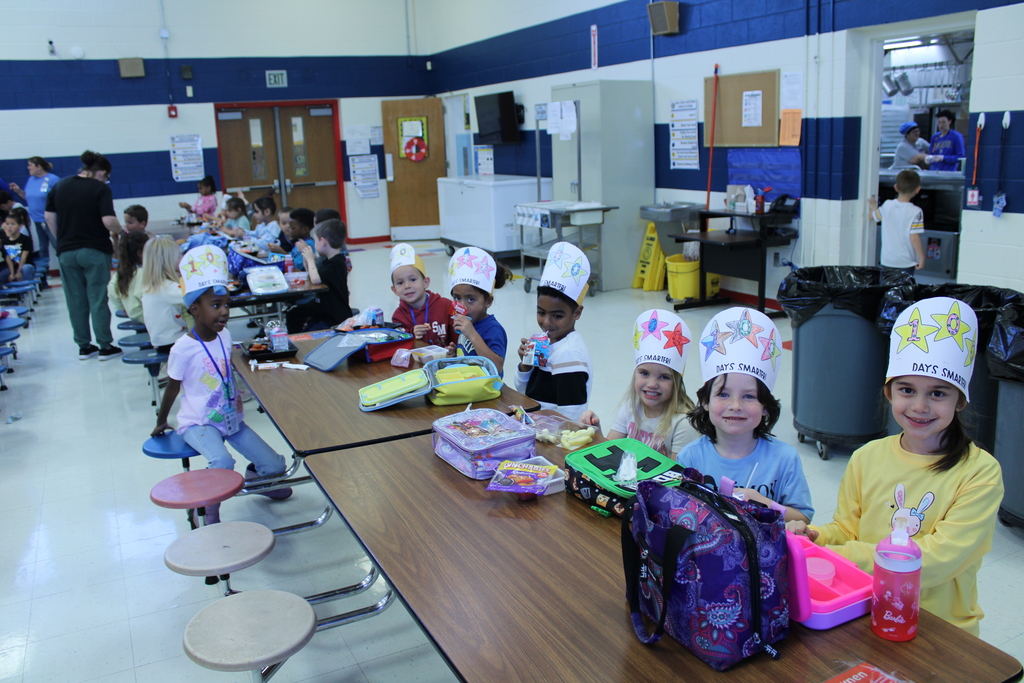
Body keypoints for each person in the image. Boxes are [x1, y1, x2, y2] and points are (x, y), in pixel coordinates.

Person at [788, 297, 1003, 635]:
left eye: (938, 393)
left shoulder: (980, 473)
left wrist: (841, 556)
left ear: (960, 400)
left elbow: (938, 558)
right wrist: (818, 536)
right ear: (889, 393)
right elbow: (847, 529)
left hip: (941, 626)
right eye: (907, 390)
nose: (919, 406)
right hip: (865, 604)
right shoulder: (867, 457)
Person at [153, 245, 291, 524]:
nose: (225, 312)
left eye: (226, 304)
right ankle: (205, 510)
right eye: (216, 306)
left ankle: (257, 480)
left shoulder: (224, 335)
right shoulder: (182, 349)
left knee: (276, 464)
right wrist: (161, 421)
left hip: (231, 417)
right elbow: (171, 387)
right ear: (194, 309)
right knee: (223, 463)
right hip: (198, 423)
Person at [677, 307, 813, 523]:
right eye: (723, 394)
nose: (735, 405)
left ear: (766, 407)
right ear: (705, 402)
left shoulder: (784, 459)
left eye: (749, 397)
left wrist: (763, 502)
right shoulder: (691, 457)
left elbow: (803, 518)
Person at [580, 309, 697, 457]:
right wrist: (594, 431)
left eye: (664, 377)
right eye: (644, 373)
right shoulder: (630, 407)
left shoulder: (683, 423)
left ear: (677, 382)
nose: (652, 384)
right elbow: (608, 453)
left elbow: (676, 476)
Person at [45, 150, 124, 361]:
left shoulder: (60, 186)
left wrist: (61, 240)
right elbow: (108, 221)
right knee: (97, 298)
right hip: (95, 250)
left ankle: (84, 346)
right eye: (106, 177)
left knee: (75, 300)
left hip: (66, 251)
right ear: (102, 173)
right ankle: (105, 346)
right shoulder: (100, 189)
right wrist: (121, 231)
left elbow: (49, 217)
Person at [513, 242, 593, 421]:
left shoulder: (569, 355)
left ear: (577, 313)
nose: (546, 322)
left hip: (552, 438)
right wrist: (525, 366)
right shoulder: (547, 343)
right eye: (541, 312)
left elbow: (570, 419)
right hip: (535, 425)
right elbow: (523, 391)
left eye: (557, 316)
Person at [445, 246, 511, 376]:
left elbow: (496, 367)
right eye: (457, 298)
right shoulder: (466, 322)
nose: (462, 306)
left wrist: (472, 334)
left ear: (488, 301)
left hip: (487, 392)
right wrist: (455, 355)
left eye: (471, 299)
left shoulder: (493, 329)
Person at [286, 219, 351, 332]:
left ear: (322, 241)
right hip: (322, 306)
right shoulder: (329, 261)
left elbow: (316, 280)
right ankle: (294, 340)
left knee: (308, 332)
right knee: (293, 314)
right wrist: (307, 260)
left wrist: (311, 260)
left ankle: (300, 340)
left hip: (333, 314)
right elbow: (312, 277)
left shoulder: (337, 263)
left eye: (315, 241)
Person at [8, 156, 60, 287]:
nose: (28, 168)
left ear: (39, 167)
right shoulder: (31, 180)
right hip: (36, 220)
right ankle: (44, 277)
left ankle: (66, 271)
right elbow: (28, 197)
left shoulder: (53, 180)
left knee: (58, 245)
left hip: (50, 220)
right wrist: (18, 191)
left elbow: (61, 199)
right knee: (42, 249)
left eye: (30, 165)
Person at [389, 243, 454, 347]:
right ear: (394, 290)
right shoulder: (399, 317)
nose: (407, 286)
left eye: (413, 279)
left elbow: (458, 338)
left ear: (426, 282)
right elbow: (402, 347)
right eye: (400, 283)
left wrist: (453, 350)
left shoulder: (446, 306)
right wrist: (412, 333)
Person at [140, 238, 190, 355]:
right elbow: (194, 298)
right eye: (178, 256)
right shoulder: (167, 288)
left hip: (161, 341)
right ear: (168, 261)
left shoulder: (154, 285)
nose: (182, 258)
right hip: (173, 342)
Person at [870, 169, 925, 275]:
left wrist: (873, 208)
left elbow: (872, 216)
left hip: (887, 260)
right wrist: (921, 257)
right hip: (906, 263)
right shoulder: (916, 211)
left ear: (896, 187)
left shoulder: (887, 205)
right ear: (918, 190)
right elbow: (914, 238)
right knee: (903, 290)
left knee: (887, 289)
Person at [108, 231, 149, 323]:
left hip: (134, 315)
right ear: (140, 253)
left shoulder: (119, 274)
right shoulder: (145, 274)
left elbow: (114, 298)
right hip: (150, 317)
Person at [1, 207, 36, 284]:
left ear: (20, 226)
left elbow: (24, 257)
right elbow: (8, 258)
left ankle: (26, 290)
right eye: (7, 224)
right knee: (2, 275)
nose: (9, 226)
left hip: (26, 265)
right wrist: (12, 273)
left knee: (26, 269)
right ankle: (7, 294)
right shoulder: (5, 242)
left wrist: (19, 271)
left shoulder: (25, 239)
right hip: (13, 267)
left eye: (13, 224)